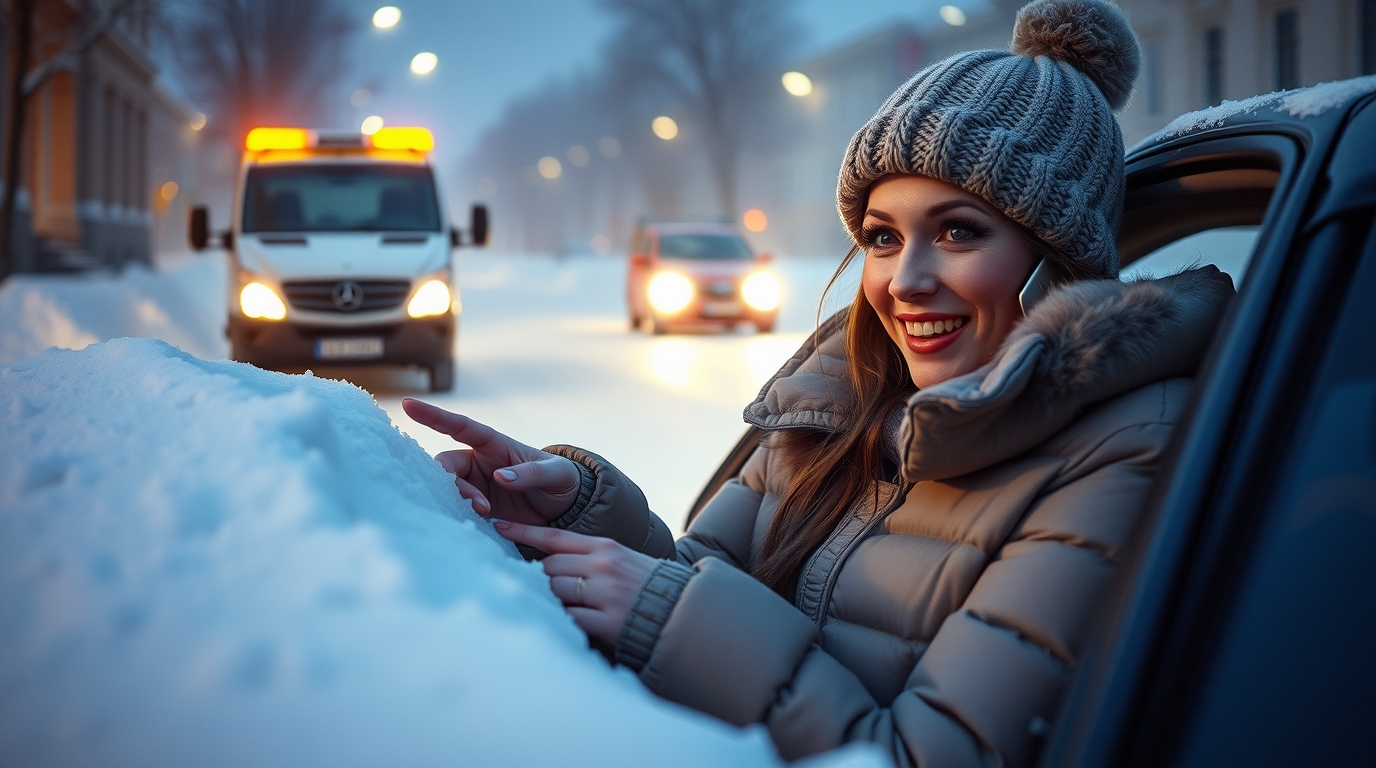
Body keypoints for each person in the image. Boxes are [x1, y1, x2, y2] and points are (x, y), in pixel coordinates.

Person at [403, 0, 1236, 763]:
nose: (905, 280)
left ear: (1056, 262)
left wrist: (666, 613)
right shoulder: (839, 394)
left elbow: (922, 755)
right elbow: (707, 581)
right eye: (882, 237)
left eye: (958, 232)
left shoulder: (1120, 450)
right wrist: (584, 514)